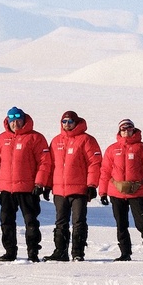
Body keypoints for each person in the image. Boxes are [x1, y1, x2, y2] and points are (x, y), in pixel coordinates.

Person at [0, 107, 52, 262]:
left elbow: (44, 162)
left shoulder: (35, 138)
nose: (15, 123)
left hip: (27, 188)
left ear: (24, 120)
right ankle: (10, 252)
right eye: (12, 120)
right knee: (6, 221)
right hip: (6, 189)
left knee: (31, 221)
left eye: (18, 120)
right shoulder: (2, 138)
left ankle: (33, 252)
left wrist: (40, 183)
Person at [98, 119, 143, 261]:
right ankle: (125, 254)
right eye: (123, 129)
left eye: (129, 128)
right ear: (119, 131)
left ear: (134, 130)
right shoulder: (112, 149)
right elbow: (105, 171)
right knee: (121, 225)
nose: (126, 131)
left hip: (138, 192)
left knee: (142, 224)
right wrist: (102, 192)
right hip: (116, 192)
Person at [45, 110, 102, 262]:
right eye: (64, 122)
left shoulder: (86, 140)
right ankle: (60, 252)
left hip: (79, 189)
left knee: (78, 222)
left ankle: (77, 252)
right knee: (60, 222)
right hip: (59, 190)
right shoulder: (56, 141)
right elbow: (50, 165)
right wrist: (47, 185)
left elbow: (94, 163)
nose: (67, 124)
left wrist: (91, 185)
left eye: (70, 122)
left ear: (76, 123)